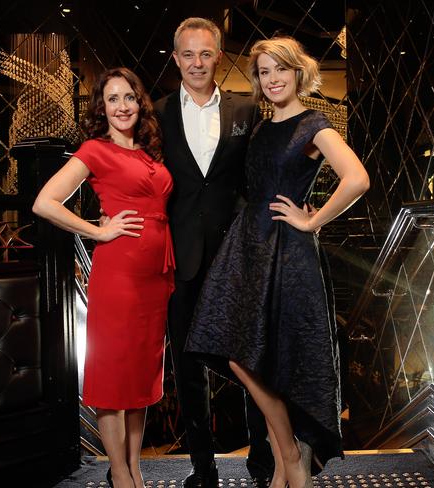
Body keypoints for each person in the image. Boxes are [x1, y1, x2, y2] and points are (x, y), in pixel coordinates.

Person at [185, 36, 370, 488]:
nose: (272, 80)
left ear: (299, 73)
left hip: (286, 253)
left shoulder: (313, 124)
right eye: (264, 72)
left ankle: (290, 460)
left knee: (276, 356)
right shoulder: (261, 128)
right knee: (246, 355)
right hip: (249, 246)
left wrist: (314, 220)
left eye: (280, 70)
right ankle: (287, 459)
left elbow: (357, 178)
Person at [32, 67, 173, 488]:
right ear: (102, 107)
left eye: (129, 97)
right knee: (114, 376)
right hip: (120, 275)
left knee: (142, 377)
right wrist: (98, 230)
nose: (122, 106)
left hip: (156, 278)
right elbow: (45, 202)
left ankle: (134, 469)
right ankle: (119, 472)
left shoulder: (150, 153)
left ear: (139, 102)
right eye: (113, 99)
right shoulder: (95, 150)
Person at [154, 17, 273, 488]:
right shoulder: (157, 112)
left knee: (250, 360)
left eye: (206, 53)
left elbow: (260, 175)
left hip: (237, 252)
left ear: (218, 56)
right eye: (188, 54)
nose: (197, 62)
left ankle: (262, 462)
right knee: (188, 367)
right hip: (180, 255)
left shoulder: (248, 109)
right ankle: (202, 468)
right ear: (176, 57)